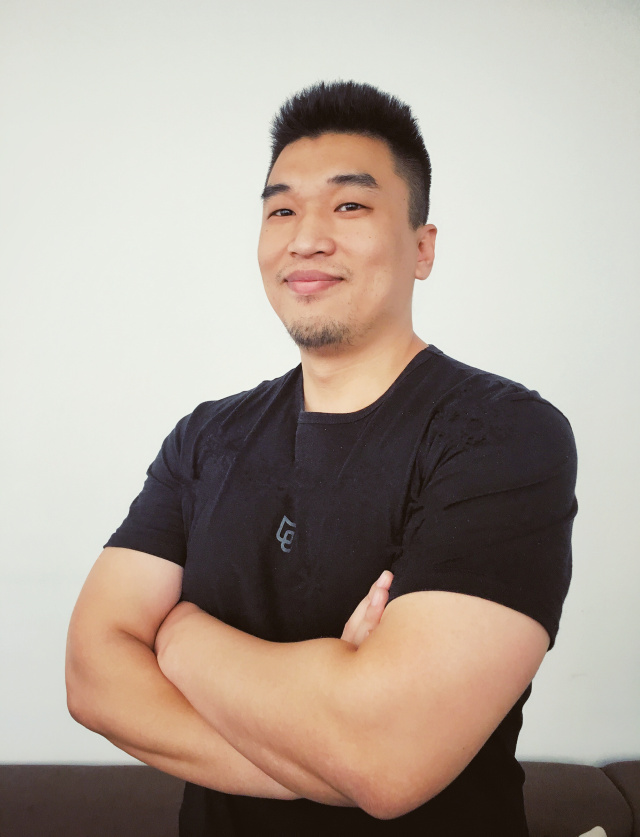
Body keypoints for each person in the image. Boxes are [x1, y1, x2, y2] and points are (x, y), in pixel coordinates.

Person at [66, 81, 577, 835]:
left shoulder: (500, 434)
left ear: (423, 248)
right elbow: (92, 676)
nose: (305, 238)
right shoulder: (206, 437)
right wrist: (334, 760)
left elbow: (389, 754)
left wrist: (179, 634)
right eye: (281, 211)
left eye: (349, 205)